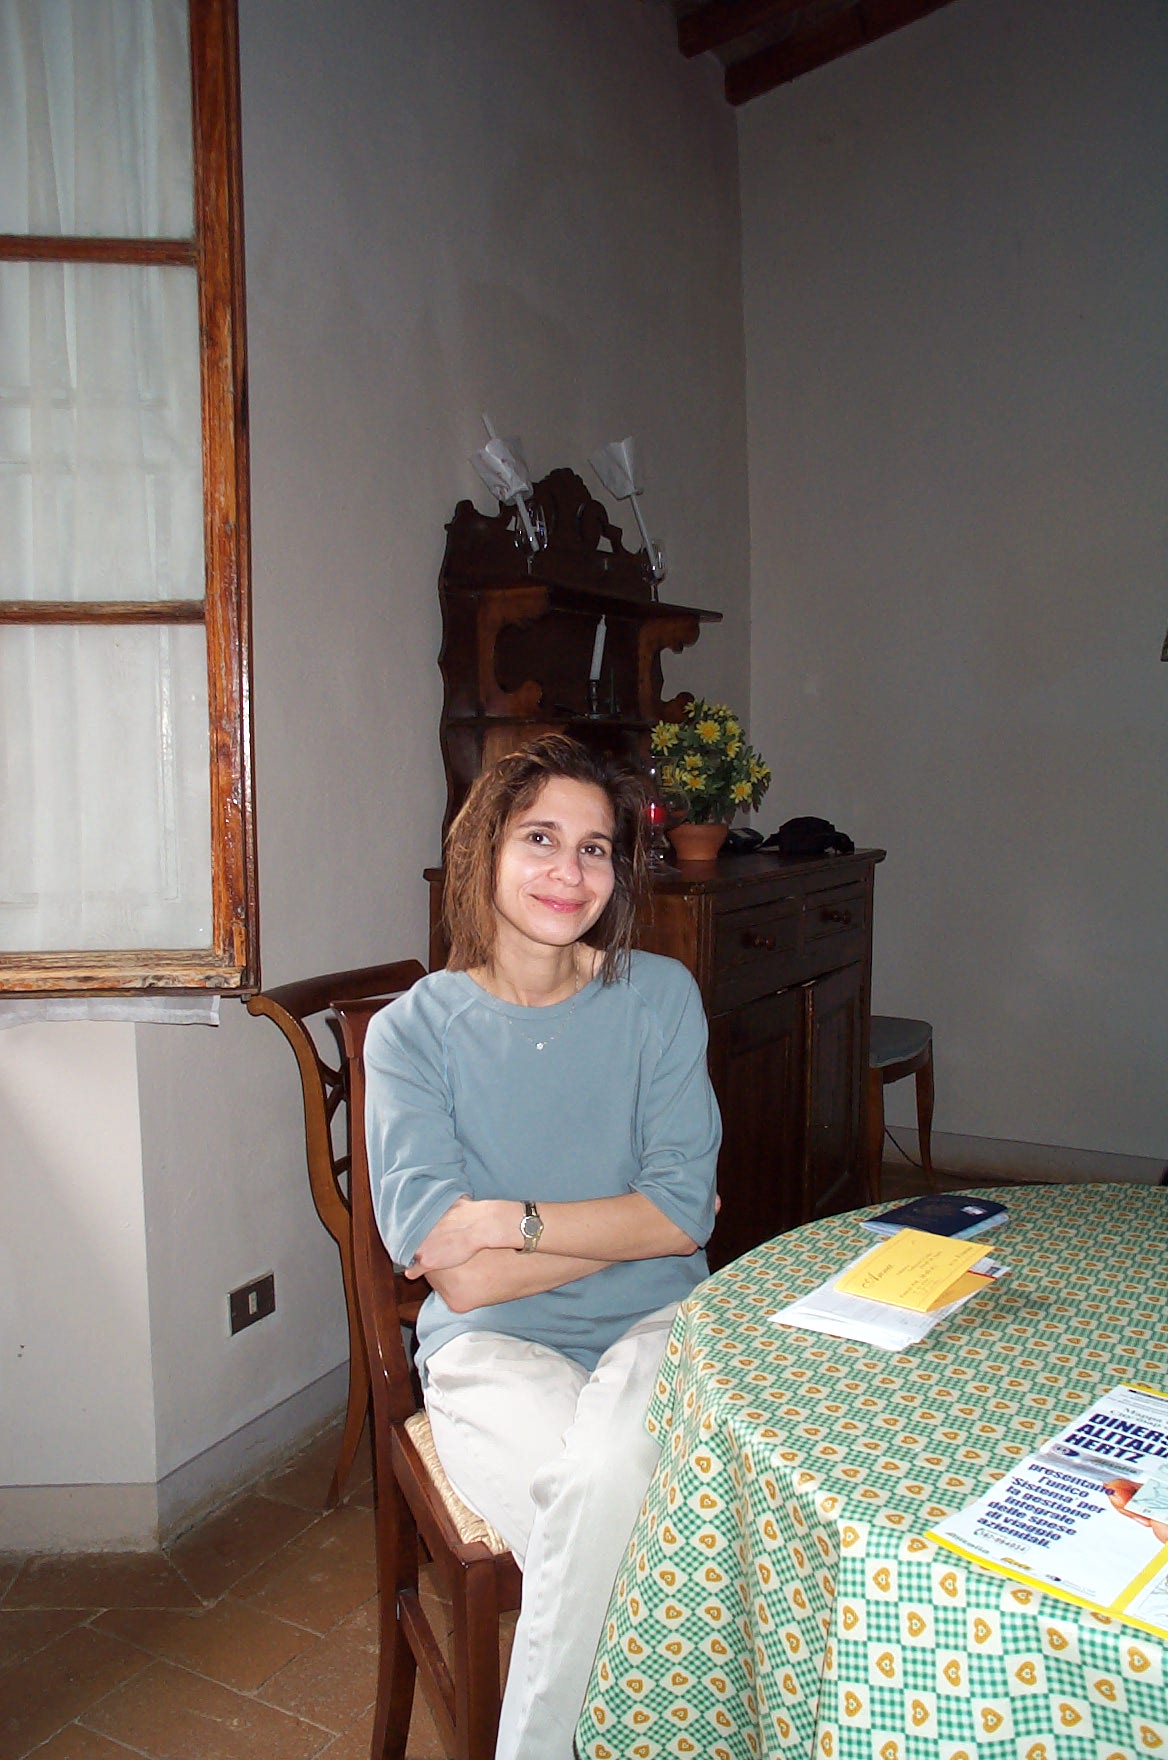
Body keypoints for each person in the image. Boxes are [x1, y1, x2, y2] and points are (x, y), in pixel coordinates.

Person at [363, 733, 721, 1760]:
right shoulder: (413, 1033)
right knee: (621, 1509)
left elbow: (681, 1219)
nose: (570, 871)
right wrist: (638, 1223)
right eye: (541, 838)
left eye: (595, 848)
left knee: (607, 1486)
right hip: (492, 1349)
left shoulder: (657, 996)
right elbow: (465, 1283)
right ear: (483, 850)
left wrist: (505, 1218)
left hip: (657, 1324)